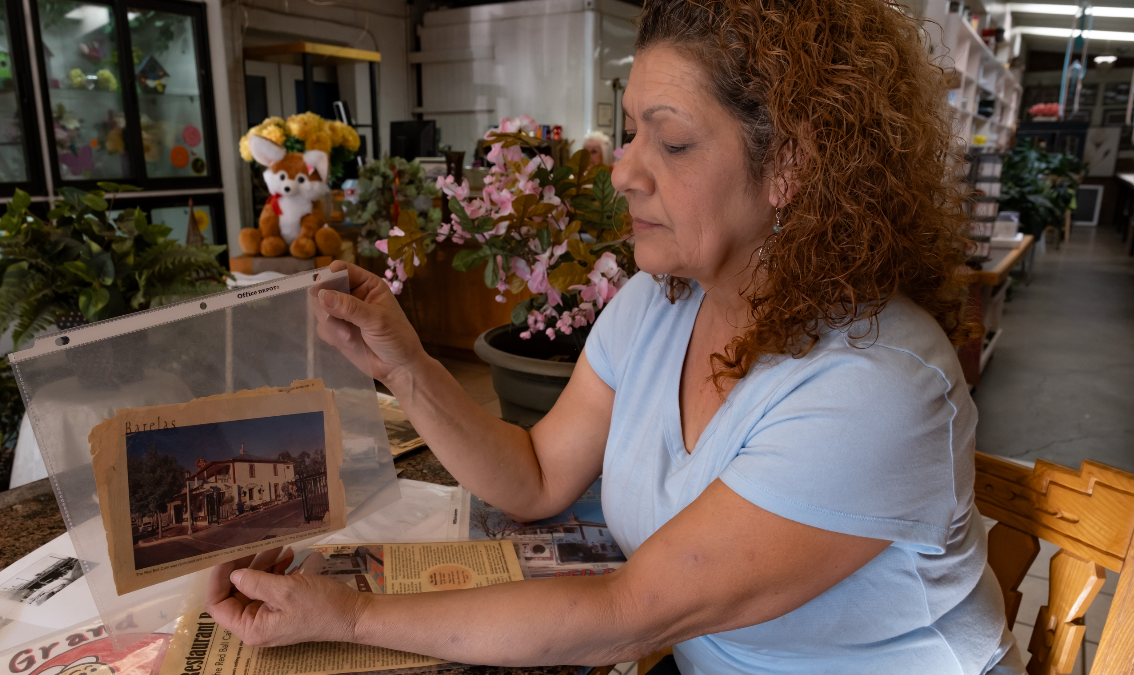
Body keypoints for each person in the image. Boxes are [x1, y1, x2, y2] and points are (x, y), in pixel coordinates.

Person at [206, 0, 1024, 672]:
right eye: (630, 130)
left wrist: (350, 617)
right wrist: (405, 361)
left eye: (670, 141)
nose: (624, 170)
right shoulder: (659, 303)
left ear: (791, 168)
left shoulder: (876, 386)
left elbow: (623, 615)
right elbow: (531, 478)